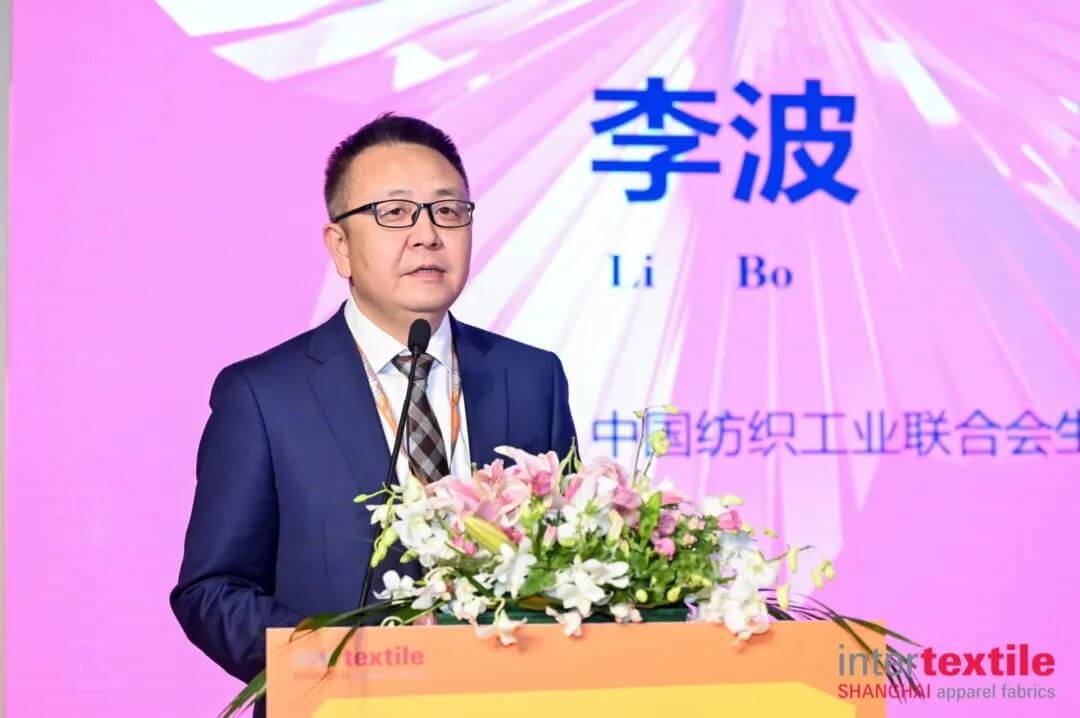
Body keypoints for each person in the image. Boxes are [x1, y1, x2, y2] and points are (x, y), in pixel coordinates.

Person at [170, 114, 577, 706]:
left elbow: (569, 561)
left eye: (448, 211)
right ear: (340, 246)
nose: (427, 234)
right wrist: (345, 662)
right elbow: (212, 591)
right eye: (395, 212)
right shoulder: (263, 395)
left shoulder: (532, 377)